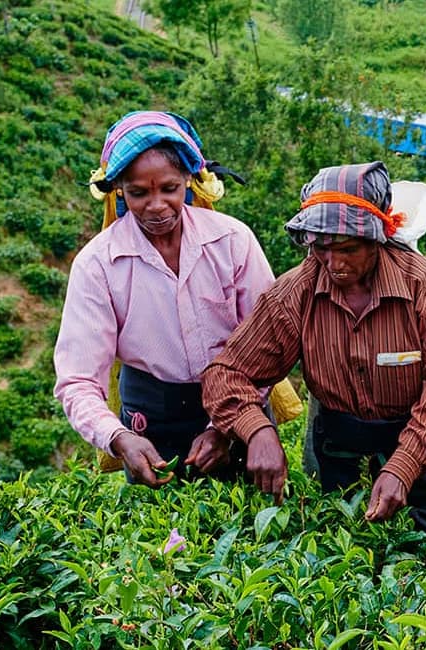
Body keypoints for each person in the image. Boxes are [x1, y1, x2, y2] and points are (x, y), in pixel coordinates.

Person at [202, 162, 426, 532]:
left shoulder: (423, 284)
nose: (335, 263)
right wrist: (257, 430)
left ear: (377, 237)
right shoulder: (295, 292)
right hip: (339, 447)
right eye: (322, 248)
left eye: (348, 248)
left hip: (424, 447)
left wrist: (403, 465)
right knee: (342, 546)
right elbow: (226, 373)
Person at [54, 111, 273, 487]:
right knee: (162, 537)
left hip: (239, 407)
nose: (156, 205)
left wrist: (225, 427)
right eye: (139, 193)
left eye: (169, 189)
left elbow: (267, 344)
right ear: (120, 189)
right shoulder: (97, 265)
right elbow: (77, 380)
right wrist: (121, 439)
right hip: (150, 419)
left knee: (247, 525)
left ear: (189, 180)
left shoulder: (231, 241)